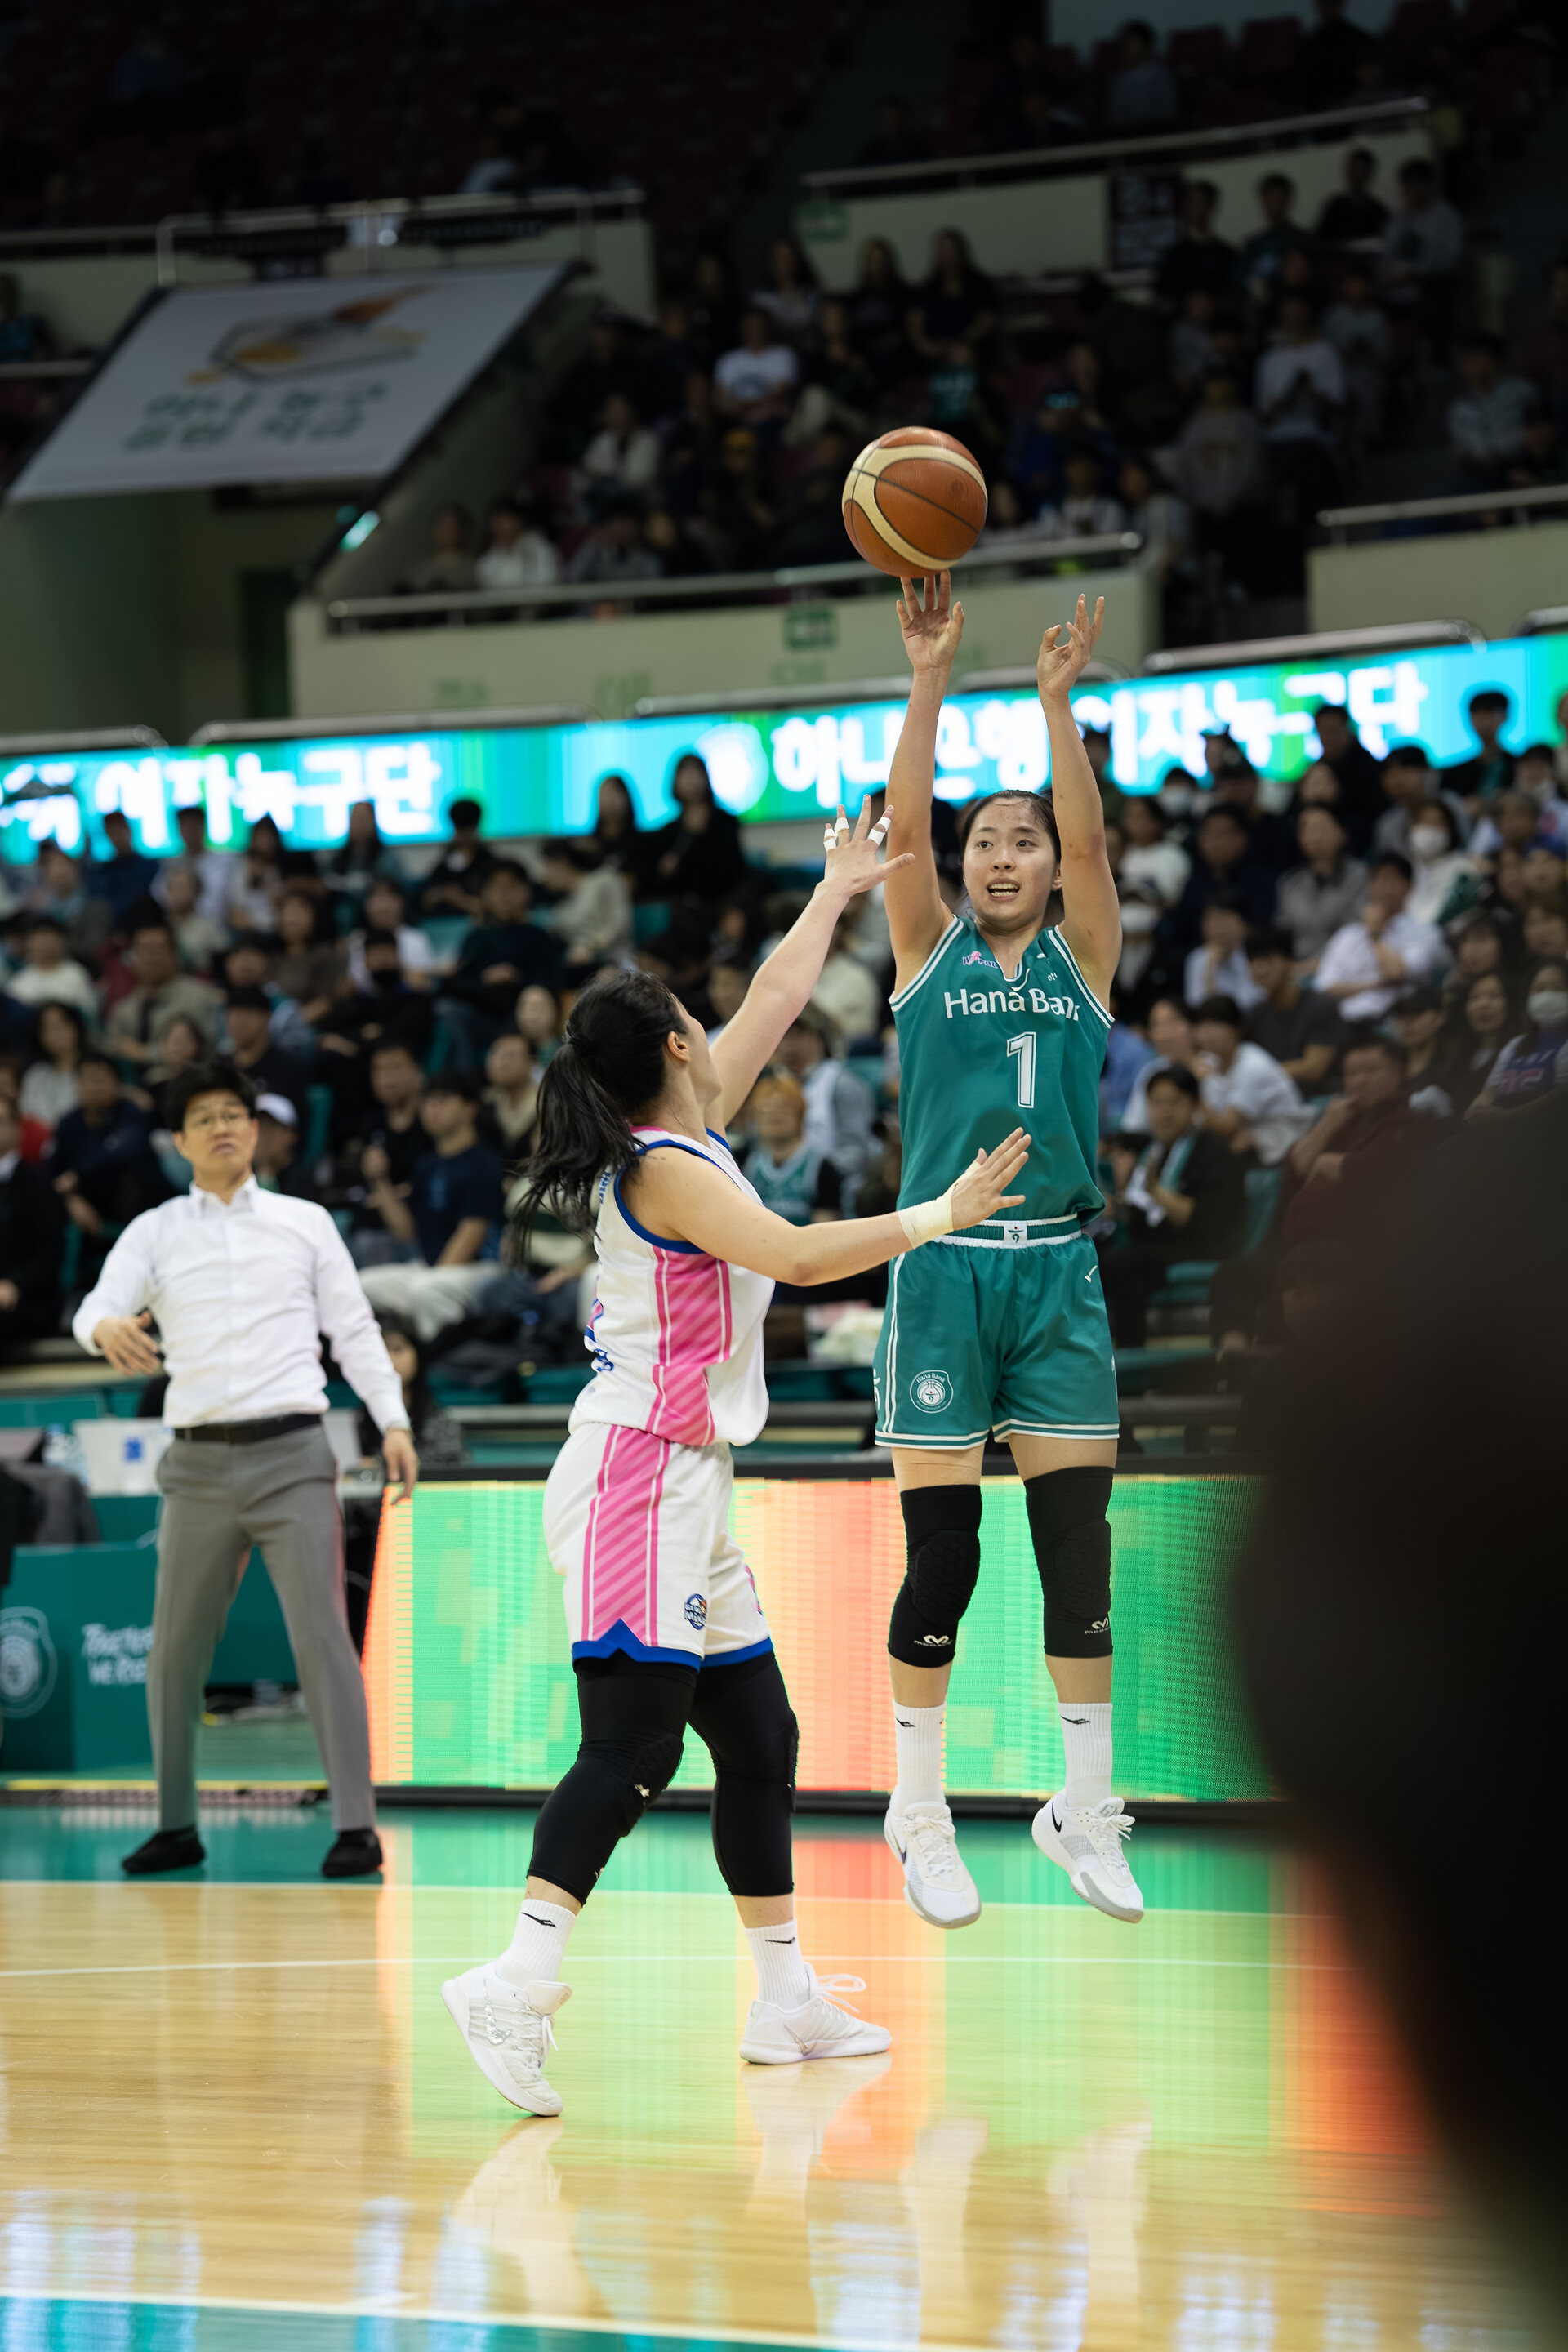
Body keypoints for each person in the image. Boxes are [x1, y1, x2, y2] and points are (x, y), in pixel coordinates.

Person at [439, 809, 1030, 2116]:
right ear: (673, 1046)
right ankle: (515, 1980)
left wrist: (836, 892)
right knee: (634, 1746)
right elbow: (803, 1258)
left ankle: (784, 1999)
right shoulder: (665, 1171)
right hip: (635, 1474)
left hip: (686, 1479)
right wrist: (940, 1212)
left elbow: (773, 995)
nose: (719, 1029)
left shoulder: (690, 1126)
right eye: (693, 1022)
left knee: (760, 1738)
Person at [872, 575, 1143, 1936]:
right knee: (946, 1561)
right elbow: (904, 832)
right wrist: (931, 679)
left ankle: (1082, 1807)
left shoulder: (1085, 956)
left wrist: (1056, 707)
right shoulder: (925, 950)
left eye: (1022, 841)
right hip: (944, 1273)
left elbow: (1093, 841)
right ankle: (917, 1810)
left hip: (1057, 1276)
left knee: (1078, 1558)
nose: (1001, 855)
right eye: (985, 840)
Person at [73, 1060, 417, 1879]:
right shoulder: (155, 1230)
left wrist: (394, 1419)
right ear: (179, 1140)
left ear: (256, 1130)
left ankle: (356, 1826)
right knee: (174, 1652)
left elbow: (355, 1330)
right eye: (204, 1117)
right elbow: (95, 1307)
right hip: (195, 1464)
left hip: (294, 1453)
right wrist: (103, 1329)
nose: (222, 1127)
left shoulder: (306, 1222)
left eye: (235, 1113)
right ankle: (175, 1824)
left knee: (322, 1638)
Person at [1098, 1067, 1245, 1347]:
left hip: (1198, 1246)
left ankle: (1130, 1352)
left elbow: (1206, 1221)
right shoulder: (1156, 1149)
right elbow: (1141, 1215)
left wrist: (1156, 1191)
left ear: (1194, 1105)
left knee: (1124, 1262)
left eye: (1175, 1102)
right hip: (1158, 1244)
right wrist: (1112, 1206)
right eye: (1157, 1102)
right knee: (1092, 1251)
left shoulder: (1211, 1149)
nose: (1165, 1112)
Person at [358, 1072, 506, 1339]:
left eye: (443, 1100)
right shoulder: (427, 1164)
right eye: (428, 1101)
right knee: (361, 1287)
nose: (432, 1109)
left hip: (482, 1270)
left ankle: (441, 1359)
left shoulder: (484, 1163)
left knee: (426, 1290)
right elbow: (406, 1231)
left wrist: (432, 1277)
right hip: (430, 1268)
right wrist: (380, 1181)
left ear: (470, 1108)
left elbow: (472, 1232)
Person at [438, 859, 564, 1068]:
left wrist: (517, 978)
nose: (505, 895)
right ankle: (463, 1076)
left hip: (519, 1012)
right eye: (496, 888)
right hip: (482, 1014)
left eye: (512, 887)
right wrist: (485, 979)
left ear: (526, 892)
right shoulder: (477, 937)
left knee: (532, 1004)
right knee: (448, 1009)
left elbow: (547, 983)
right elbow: (458, 982)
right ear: (484, 895)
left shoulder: (538, 936)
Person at [1312, 853, 1446, 1021]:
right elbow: (1324, 990)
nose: (1385, 888)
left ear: (1409, 886)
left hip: (1395, 1019)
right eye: (1378, 880)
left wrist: (1376, 935)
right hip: (1345, 1020)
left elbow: (1395, 973)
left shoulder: (1425, 932)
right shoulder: (1347, 935)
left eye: (1392, 880)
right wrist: (1376, 985)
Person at [50, 1052, 168, 1235]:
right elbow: (55, 1172)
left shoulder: (132, 1114)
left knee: (131, 1175)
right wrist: (71, 1199)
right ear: (78, 1085)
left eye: (101, 1079)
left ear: (116, 1083)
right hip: (91, 1207)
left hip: (135, 1203)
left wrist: (79, 1175)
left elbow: (124, 1152)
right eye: (88, 1080)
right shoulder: (68, 1124)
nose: (95, 1087)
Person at [1192, 996, 1311, 1166]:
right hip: (1251, 1138)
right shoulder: (1211, 1061)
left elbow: (1225, 1127)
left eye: (1215, 1025)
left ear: (1236, 1029)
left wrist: (1194, 1087)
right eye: (1201, 1025)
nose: (1206, 1034)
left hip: (1286, 1138)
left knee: (1228, 1147)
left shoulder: (1254, 1066)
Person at [341, 1040, 430, 1267]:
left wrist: (387, 1188)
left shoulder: (431, 1124)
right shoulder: (370, 1123)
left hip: (418, 1236)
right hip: (366, 1229)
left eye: (396, 1067)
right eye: (379, 1069)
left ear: (417, 1071)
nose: (387, 1079)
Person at [773, 1009, 877, 1191]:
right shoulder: (772, 1088)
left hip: (836, 1192)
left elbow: (856, 1153)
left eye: (797, 1036)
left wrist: (815, 1175)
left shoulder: (842, 1084)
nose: (789, 1047)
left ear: (820, 1039)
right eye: (783, 1036)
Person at [105, 917, 222, 1072]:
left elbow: (207, 1050)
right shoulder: (124, 1007)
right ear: (132, 956)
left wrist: (143, 1053)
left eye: (159, 948)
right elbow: (111, 1048)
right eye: (145, 949)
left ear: (175, 954)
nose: (152, 956)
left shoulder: (200, 997)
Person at [0, 1091, 65, 1347]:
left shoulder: (39, 1183)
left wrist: (15, 1284)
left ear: (17, 1129)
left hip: (28, 1298)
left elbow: (51, 1251)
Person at [1243, 926, 1343, 1093]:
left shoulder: (1322, 1005)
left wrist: (1258, 1073)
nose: (1259, 968)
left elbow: (1313, 1069)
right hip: (1274, 1097)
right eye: (1252, 960)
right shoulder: (1255, 1013)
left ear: (1289, 961)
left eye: (1266, 959)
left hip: (1320, 1097)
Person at [737, 1074, 842, 1224]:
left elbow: (824, 1230)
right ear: (754, 1117)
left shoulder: (821, 1168)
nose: (776, 1112)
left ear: (801, 1114)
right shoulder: (746, 1166)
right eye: (766, 1106)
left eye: (785, 1106)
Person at [1468, 961, 1568, 1116]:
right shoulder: (1515, 1045)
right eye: (1539, 989)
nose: (1547, 996)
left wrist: (1502, 1115)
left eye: (1558, 988)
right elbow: (1489, 1093)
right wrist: (1474, 1113)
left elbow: (1560, 1105)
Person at [1276, 804, 1369, 964]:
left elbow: (1356, 927)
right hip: (1298, 967)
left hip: (1345, 964)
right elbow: (1282, 933)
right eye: (1306, 828)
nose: (1315, 835)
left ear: (1342, 833)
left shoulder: (1361, 875)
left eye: (1321, 827)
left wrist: (1319, 963)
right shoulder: (1289, 883)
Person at [1446, 335, 1532, 487]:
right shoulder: (1459, 408)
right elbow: (1461, 453)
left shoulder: (1521, 391)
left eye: (1481, 358)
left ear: (1495, 359)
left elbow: (1537, 431)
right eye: (1470, 360)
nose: (1476, 365)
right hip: (1479, 474)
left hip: (1521, 464)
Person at [537, 838, 632, 969]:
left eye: (547, 867)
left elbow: (620, 923)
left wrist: (591, 947)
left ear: (562, 863)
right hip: (580, 966)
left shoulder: (605, 879)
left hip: (615, 961)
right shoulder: (561, 907)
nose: (544, 876)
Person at [1442, 969, 1514, 1112]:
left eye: (1494, 996)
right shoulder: (1454, 1057)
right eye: (1474, 998)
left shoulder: (1518, 1053)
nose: (1483, 1004)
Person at [4, 914, 97, 1019]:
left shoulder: (76, 975)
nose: (43, 943)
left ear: (61, 940)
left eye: (47, 936)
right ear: (29, 943)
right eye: (37, 937)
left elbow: (89, 1015)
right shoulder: (18, 983)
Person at [420, 798, 497, 917]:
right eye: (460, 829)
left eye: (467, 829)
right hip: (442, 921)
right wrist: (443, 894)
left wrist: (461, 900)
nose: (463, 836)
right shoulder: (445, 860)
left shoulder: (489, 863)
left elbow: (494, 905)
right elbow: (425, 897)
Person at [19, 1000, 87, 1132]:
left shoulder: (94, 1070)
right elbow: (26, 1115)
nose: (56, 1033)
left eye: (61, 1025)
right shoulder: (35, 1075)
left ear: (76, 1027)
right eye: (47, 1029)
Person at [1183, 893, 1260, 1010]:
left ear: (1244, 924)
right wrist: (1209, 969)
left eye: (1224, 920)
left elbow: (1253, 1002)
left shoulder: (1255, 953)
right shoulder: (1197, 957)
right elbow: (1196, 1005)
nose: (1217, 928)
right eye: (1211, 920)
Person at [1102, 20, 1178, 131]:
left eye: (1130, 42)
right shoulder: (1118, 79)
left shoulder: (1161, 74)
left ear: (1145, 44)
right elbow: (1114, 117)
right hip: (1126, 134)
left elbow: (1168, 112)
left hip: (1158, 132)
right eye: (1123, 43)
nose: (1125, 47)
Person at [87, 809, 160, 924]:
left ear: (129, 830)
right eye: (112, 832)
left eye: (120, 830)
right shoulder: (103, 873)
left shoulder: (149, 867)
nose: (117, 836)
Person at [474, 494, 561, 590]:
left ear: (519, 520)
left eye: (505, 520)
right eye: (496, 521)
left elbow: (547, 585)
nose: (500, 527)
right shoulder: (487, 562)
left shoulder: (541, 550)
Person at [1446, 688, 1516, 808]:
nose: (1482, 720)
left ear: (1504, 716)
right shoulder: (1454, 774)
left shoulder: (1519, 766)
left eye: (1489, 713)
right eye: (1477, 714)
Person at [480, 1030, 540, 1159]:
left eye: (510, 1056)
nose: (501, 1063)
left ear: (531, 1064)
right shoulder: (486, 1102)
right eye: (495, 1054)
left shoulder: (545, 1104)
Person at [1316, 142, 1388, 243]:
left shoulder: (1378, 212)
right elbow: (1319, 240)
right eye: (1355, 173)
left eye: (1361, 173)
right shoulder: (1335, 208)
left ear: (1368, 175)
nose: (1357, 178)